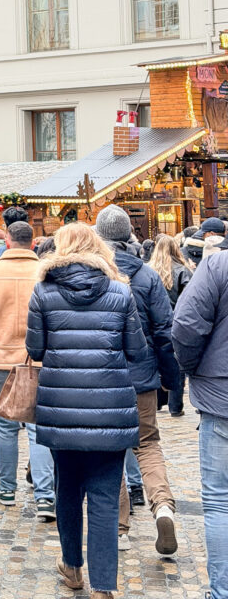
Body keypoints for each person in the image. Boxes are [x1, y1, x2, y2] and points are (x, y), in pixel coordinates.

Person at [26, 223, 147, 599]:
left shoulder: (43, 292)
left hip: (62, 410)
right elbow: (136, 350)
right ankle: (104, 586)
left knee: (67, 492)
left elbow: (36, 349)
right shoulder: (120, 292)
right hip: (110, 410)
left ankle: (72, 567)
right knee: (106, 500)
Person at [95, 206, 180, 556]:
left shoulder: (95, 274)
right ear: (129, 234)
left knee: (112, 451)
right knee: (147, 445)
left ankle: (119, 529)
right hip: (142, 378)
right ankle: (161, 505)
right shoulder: (146, 276)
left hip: (104, 378)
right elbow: (165, 332)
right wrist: (171, 379)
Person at [0, 220, 55, 520]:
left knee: (6, 425)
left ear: (7, 241)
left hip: (0, 357)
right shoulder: (44, 273)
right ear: (32, 243)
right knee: (37, 426)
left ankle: (7, 488)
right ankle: (45, 495)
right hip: (39, 358)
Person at [172, 243, 228, 599]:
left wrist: (192, 368)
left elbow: (186, 325)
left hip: (222, 396)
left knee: (220, 499)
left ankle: (222, 591)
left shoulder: (218, 265)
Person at [150, 233, 193, 416]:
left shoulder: (148, 271)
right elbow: (190, 299)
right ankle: (175, 406)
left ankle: (159, 402)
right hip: (176, 320)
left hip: (154, 322)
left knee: (156, 361)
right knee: (176, 363)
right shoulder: (183, 270)